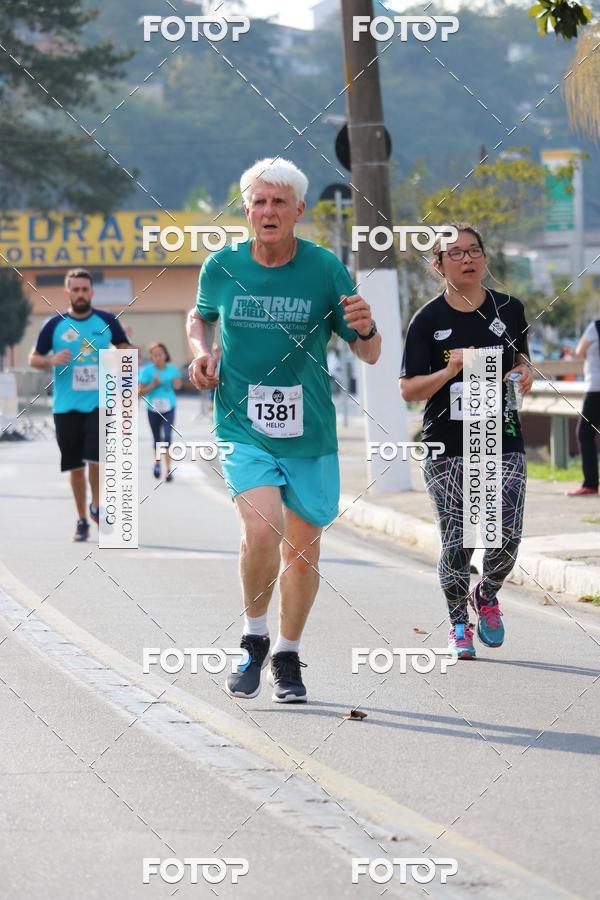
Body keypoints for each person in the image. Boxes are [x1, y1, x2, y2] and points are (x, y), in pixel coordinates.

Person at [187, 157, 381, 702]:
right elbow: (198, 315)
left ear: (299, 210)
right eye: (259, 202)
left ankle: (289, 654)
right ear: (246, 209)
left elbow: (368, 353)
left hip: (310, 431)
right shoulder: (221, 267)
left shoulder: (324, 269)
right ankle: (254, 637)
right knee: (260, 529)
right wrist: (202, 353)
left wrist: (368, 327)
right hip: (241, 424)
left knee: (303, 552)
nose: (268, 211)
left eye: (279, 202)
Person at [400, 223, 533, 660]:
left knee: (506, 531)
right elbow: (409, 389)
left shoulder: (510, 308)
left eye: (473, 250)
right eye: (454, 254)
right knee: (460, 539)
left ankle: (487, 593)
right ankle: (459, 622)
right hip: (446, 445)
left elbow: (520, 356)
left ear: (485, 257)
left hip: (501, 437)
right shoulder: (427, 320)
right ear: (438, 266)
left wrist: (524, 371)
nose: (467, 259)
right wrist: (449, 371)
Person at [28, 268, 131, 541]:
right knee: (75, 466)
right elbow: (33, 358)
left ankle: (97, 505)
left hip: (100, 403)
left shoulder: (107, 320)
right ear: (67, 293)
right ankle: (82, 519)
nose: (81, 294)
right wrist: (50, 360)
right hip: (65, 406)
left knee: (95, 457)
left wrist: (119, 357)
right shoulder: (54, 325)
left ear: (92, 292)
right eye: (75, 290)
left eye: (85, 289)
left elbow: (126, 349)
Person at [139, 342, 182, 481]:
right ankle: (157, 463)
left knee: (168, 438)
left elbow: (178, 385)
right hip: (153, 409)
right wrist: (153, 384)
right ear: (151, 357)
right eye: (155, 355)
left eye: (160, 354)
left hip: (169, 407)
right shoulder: (147, 371)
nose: (158, 357)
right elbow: (140, 393)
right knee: (157, 439)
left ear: (165, 355)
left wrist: (177, 383)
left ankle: (168, 470)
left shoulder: (173, 369)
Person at [567, 317, 600, 496]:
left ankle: (591, 483)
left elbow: (579, 353)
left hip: (596, 389)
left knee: (585, 433)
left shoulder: (595, 327)